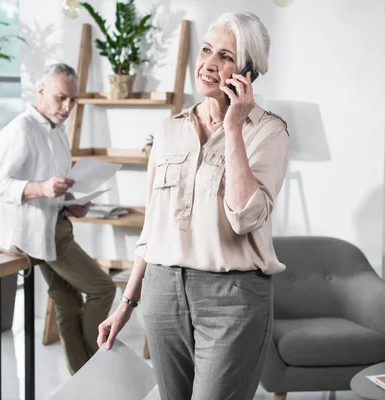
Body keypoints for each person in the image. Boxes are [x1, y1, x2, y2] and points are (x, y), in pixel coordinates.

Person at [97, 12, 290, 399]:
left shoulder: (269, 131)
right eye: (206, 51)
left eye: (226, 56)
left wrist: (233, 128)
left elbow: (246, 217)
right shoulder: (170, 130)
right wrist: (126, 304)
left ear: (248, 72)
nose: (210, 64)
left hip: (231, 301)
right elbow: (152, 228)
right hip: (162, 293)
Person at [0, 63, 116, 375]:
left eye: (73, 100)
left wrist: (71, 203)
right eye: (61, 98)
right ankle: (95, 365)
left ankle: (82, 382)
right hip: (37, 233)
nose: (67, 107)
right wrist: (43, 189)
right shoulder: (20, 130)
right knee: (103, 288)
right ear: (41, 90)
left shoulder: (58, 132)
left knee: (67, 303)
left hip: (57, 224)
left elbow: (55, 183)